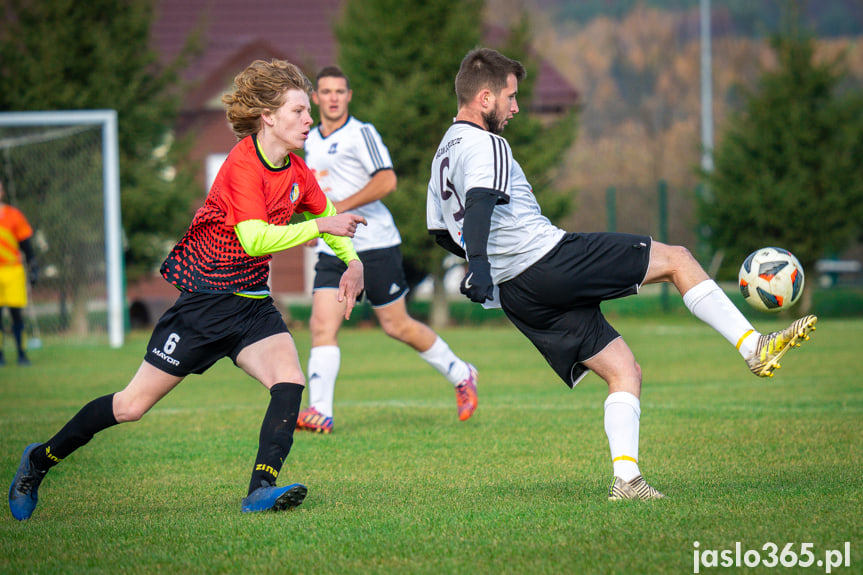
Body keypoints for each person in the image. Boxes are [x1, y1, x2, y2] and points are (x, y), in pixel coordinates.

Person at [427, 48, 817, 501]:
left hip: (520, 294)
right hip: (549, 260)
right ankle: (755, 347)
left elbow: (440, 230)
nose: (515, 108)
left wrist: (483, 266)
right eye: (511, 98)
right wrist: (480, 264)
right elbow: (478, 204)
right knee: (678, 259)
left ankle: (627, 480)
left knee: (624, 370)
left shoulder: (442, 153)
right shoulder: (486, 143)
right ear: (485, 97)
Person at [8, 59, 368, 521]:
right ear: (269, 118)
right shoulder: (242, 164)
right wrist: (320, 226)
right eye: (299, 111)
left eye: (307, 111)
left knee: (290, 381)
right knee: (131, 405)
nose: (309, 119)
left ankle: (261, 489)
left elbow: (332, 217)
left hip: (253, 307)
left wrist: (352, 261)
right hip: (204, 306)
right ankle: (37, 463)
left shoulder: (297, 169)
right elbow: (255, 236)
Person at [296, 66, 478, 434]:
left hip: (375, 244)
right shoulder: (309, 140)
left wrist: (339, 209)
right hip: (335, 247)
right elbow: (316, 192)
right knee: (321, 325)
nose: (332, 97)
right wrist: (316, 225)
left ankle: (461, 372)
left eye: (339, 91)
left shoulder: (362, 133)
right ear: (315, 98)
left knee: (396, 325)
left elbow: (387, 179)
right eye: (326, 91)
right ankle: (320, 411)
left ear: (348, 96)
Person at [0, 178, 38, 367]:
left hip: (13, 270)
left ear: (2, 191)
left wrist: (33, 265)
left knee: (16, 314)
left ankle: (21, 354)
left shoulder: (14, 215)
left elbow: (26, 243)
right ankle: (0, 356)